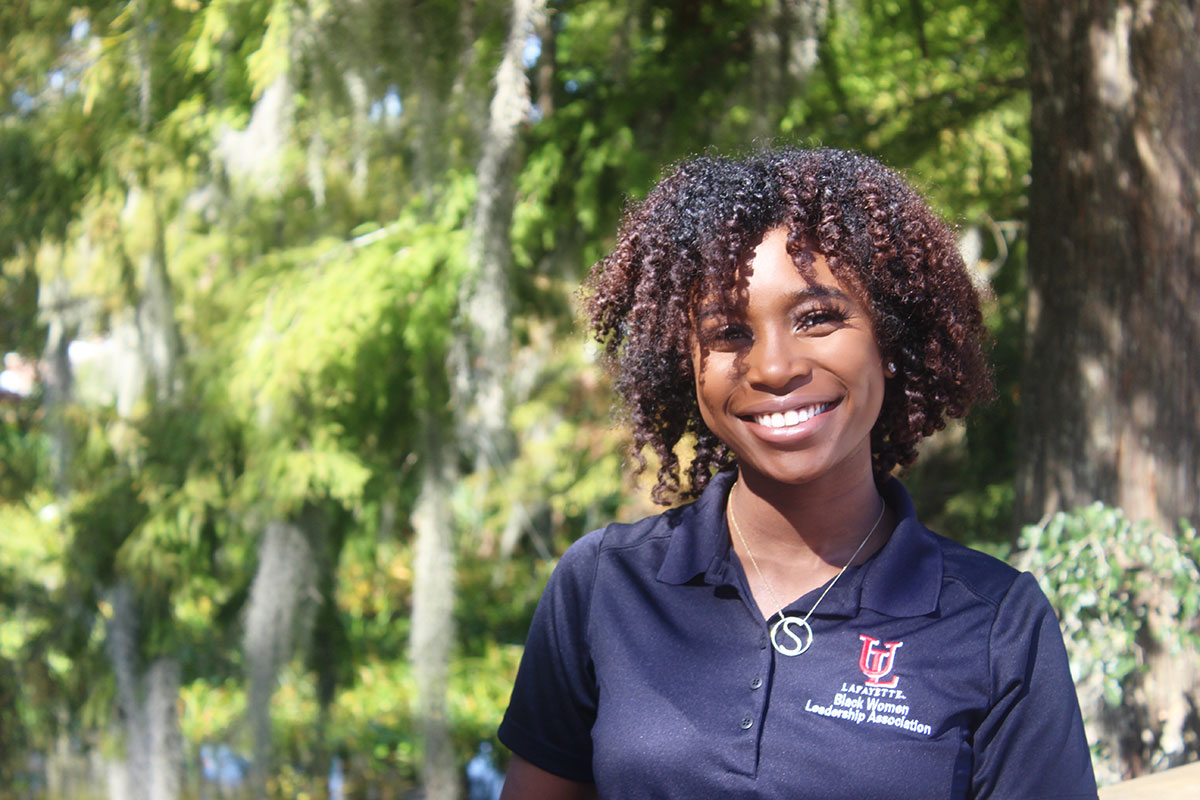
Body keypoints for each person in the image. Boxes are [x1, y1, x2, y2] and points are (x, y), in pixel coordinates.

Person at [497, 147, 1097, 799]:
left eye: (817, 318)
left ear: (888, 341)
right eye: (728, 332)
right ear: (687, 364)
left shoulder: (994, 624)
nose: (774, 367)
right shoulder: (604, 586)